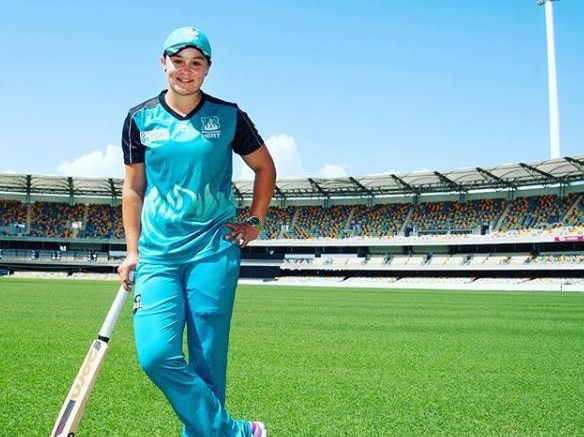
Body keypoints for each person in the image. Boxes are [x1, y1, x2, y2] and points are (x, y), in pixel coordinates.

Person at [117, 26, 276, 437]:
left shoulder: (228, 117)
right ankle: (236, 433)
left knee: (208, 363)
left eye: (196, 63)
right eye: (178, 61)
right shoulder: (139, 119)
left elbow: (264, 167)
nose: (186, 71)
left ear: (207, 69)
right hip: (158, 256)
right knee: (155, 354)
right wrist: (132, 250)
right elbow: (133, 188)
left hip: (213, 252)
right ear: (163, 63)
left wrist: (255, 221)